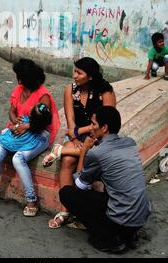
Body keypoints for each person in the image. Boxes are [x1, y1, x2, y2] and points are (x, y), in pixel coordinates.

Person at [0, 58, 60, 216]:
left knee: (18, 158)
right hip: (19, 130)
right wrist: (15, 122)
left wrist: (27, 126)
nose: (17, 79)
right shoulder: (19, 89)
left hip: (39, 133)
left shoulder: (43, 95)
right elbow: (12, 112)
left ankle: (31, 200)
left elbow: (44, 121)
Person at [59, 107, 151, 253]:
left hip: (120, 221)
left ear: (104, 128)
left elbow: (80, 185)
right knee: (109, 191)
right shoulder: (130, 142)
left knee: (66, 193)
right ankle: (129, 236)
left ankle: (108, 239)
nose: (91, 128)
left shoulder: (97, 153)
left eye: (94, 124)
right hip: (140, 218)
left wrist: (84, 151)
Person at [47, 57, 116, 229]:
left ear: (90, 76)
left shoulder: (105, 91)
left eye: (79, 72)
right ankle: (65, 211)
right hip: (76, 136)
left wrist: (81, 132)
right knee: (68, 161)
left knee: (93, 159)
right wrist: (75, 137)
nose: (74, 75)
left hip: (101, 136)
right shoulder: (69, 90)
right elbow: (70, 122)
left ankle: (60, 151)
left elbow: (109, 120)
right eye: (74, 71)